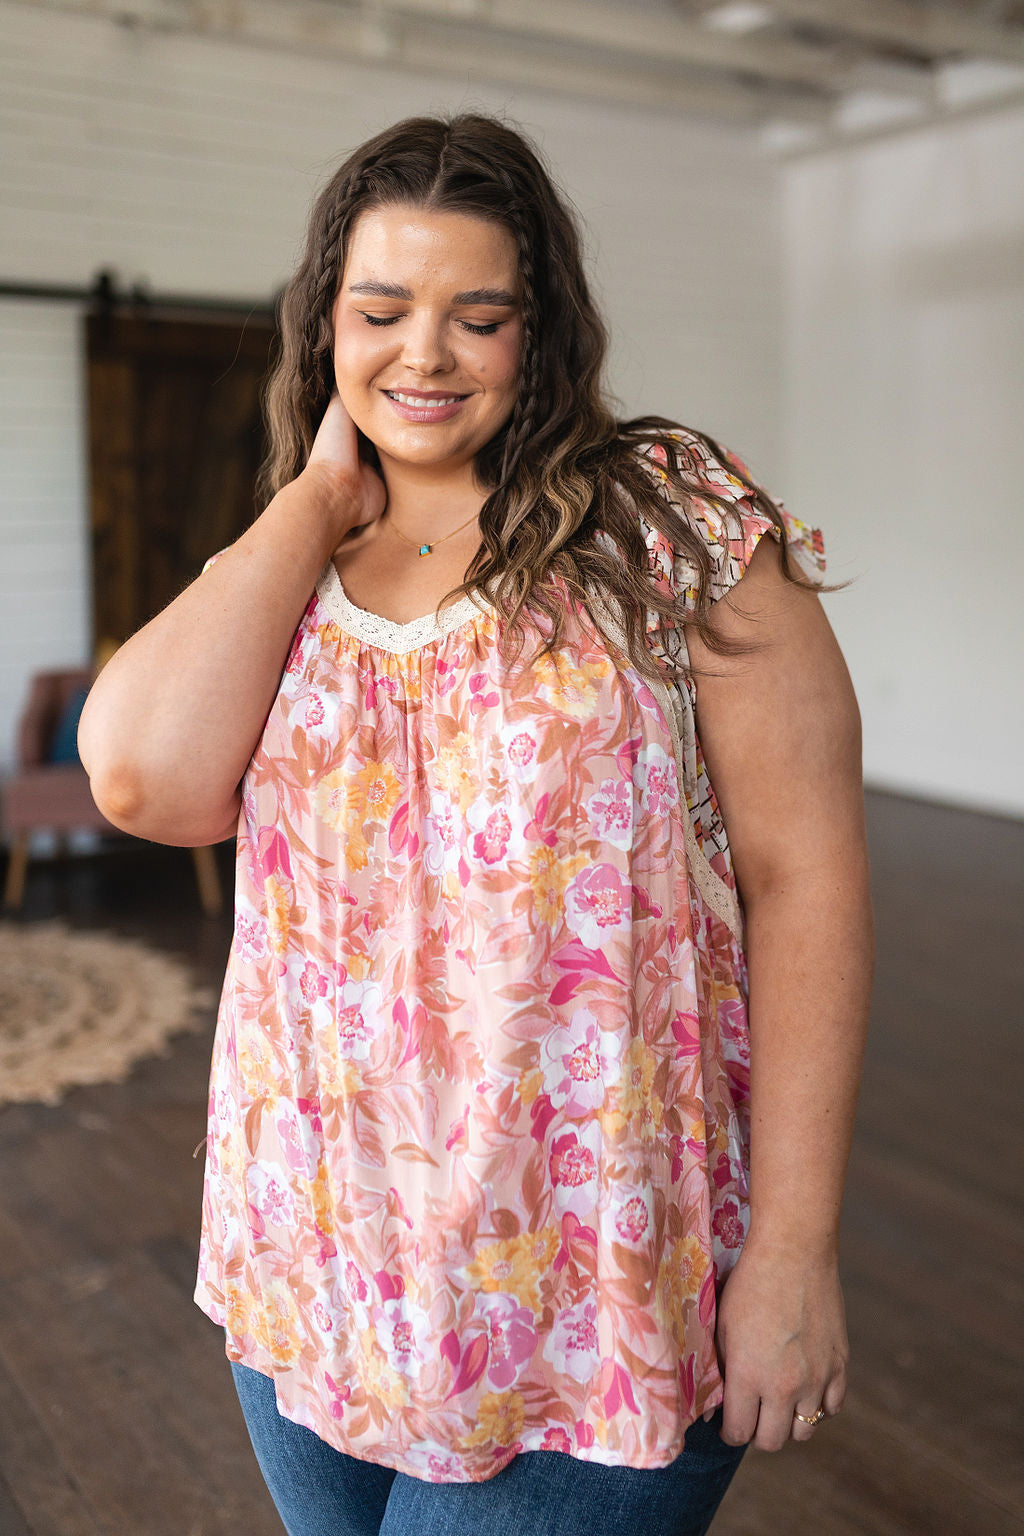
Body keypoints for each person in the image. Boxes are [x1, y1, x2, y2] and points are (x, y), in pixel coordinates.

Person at [78, 112, 874, 1536]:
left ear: (540, 328)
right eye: (381, 312)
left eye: (478, 317)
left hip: (598, 1276)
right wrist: (318, 495)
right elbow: (145, 782)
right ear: (325, 327)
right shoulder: (298, 557)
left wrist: (797, 1249)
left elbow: (802, 874)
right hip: (319, 1253)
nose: (425, 355)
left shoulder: (668, 523)